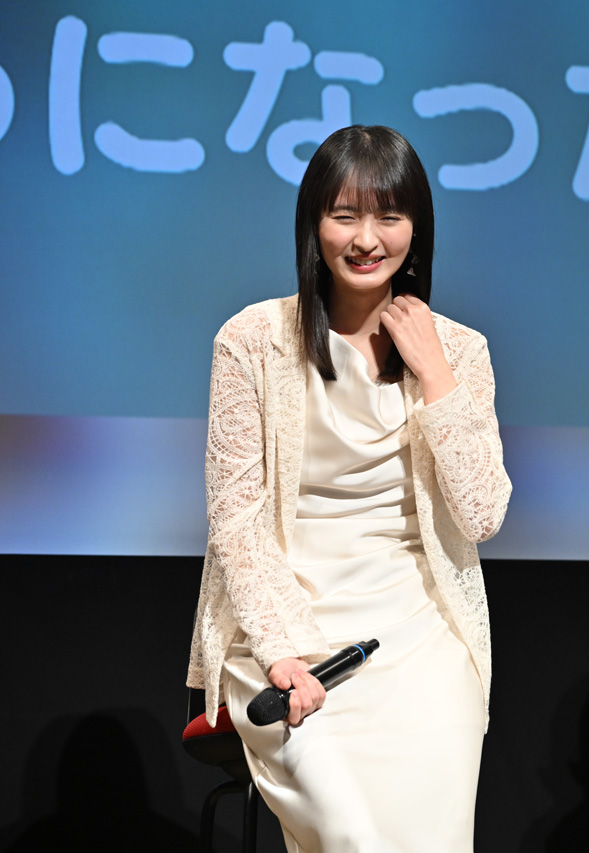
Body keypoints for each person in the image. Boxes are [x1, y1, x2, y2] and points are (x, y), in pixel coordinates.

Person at [186, 124, 511, 852]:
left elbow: (483, 512)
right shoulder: (252, 340)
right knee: (351, 835)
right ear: (314, 226)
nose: (367, 239)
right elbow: (236, 519)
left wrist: (435, 372)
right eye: (345, 215)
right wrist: (282, 650)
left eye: (389, 216)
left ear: (417, 229)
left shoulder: (460, 350)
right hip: (283, 635)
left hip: (420, 638)